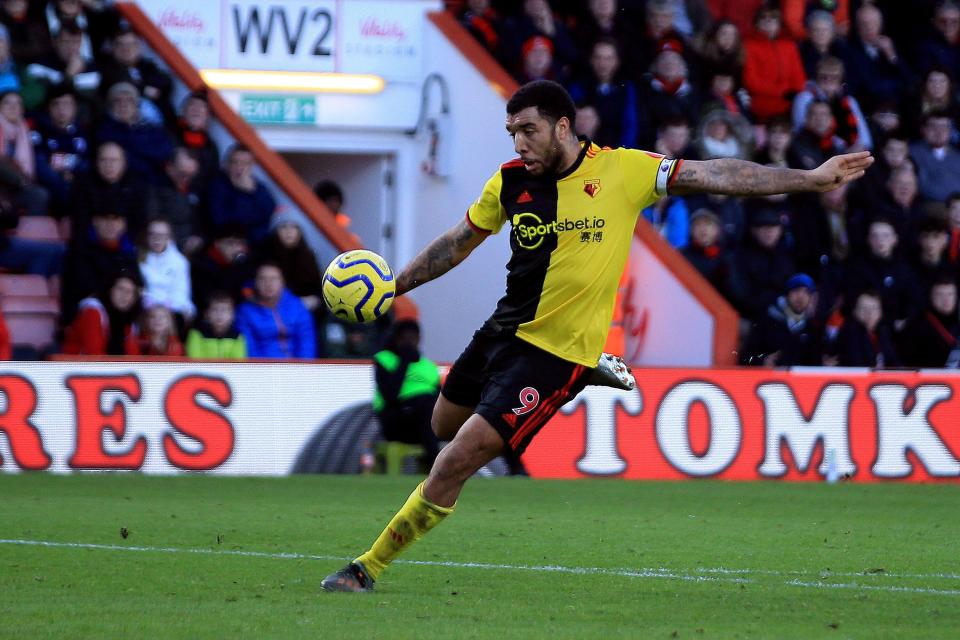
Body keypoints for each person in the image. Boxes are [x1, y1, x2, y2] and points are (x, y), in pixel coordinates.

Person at [320, 79, 873, 592]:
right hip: (504, 330)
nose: (518, 142)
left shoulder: (624, 171)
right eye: (511, 131)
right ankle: (589, 370)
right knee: (441, 425)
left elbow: (717, 174)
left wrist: (808, 178)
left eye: (528, 130)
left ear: (564, 125)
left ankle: (366, 568)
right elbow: (458, 241)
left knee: (456, 458)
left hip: (556, 354)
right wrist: (396, 283)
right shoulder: (510, 182)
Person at [373, 319, 442, 468]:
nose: (409, 343)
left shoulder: (429, 366)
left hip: (425, 421)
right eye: (405, 339)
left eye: (412, 339)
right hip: (396, 421)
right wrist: (404, 360)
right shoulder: (384, 360)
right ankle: (437, 465)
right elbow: (390, 395)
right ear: (397, 339)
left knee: (433, 404)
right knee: (425, 404)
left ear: (419, 339)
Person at [235, 261, 315, 359]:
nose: (268, 284)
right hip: (262, 370)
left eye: (273, 279)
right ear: (255, 282)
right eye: (263, 279)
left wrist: (302, 369)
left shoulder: (297, 306)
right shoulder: (245, 312)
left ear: (282, 282)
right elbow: (249, 349)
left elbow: (307, 344)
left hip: (298, 369)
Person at [741, 272, 823, 366]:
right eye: (796, 290)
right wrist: (762, 361)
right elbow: (746, 358)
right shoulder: (766, 320)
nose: (801, 296)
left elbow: (815, 365)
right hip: (769, 379)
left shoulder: (811, 328)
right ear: (787, 293)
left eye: (806, 292)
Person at [207, 144, 276, 246]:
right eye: (235, 162)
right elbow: (222, 222)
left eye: (245, 163)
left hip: (255, 243)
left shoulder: (259, 188)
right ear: (227, 164)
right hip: (227, 242)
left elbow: (271, 216)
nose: (239, 167)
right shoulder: (217, 186)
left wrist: (251, 191)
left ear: (252, 166)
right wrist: (243, 193)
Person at [62, 269, 141, 355]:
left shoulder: (129, 320)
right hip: (76, 365)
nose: (124, 295)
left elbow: (133, 357)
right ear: (110, 290)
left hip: (107, 366)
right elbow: (93, 353)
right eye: (120, 289)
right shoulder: (93, 311)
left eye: (129, 292)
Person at [185, 291, 247, 359]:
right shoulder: (196, 333)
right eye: (215, 309)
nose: (219, 314)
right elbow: (194, 359)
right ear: (206, 314)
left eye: (224, 310)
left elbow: (238, 363)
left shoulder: (237, 336)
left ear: (232, 315)